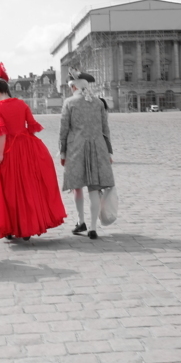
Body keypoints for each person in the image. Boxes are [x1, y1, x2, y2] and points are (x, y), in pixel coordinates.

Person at [0, 62, 66, 239]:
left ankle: (12, 226)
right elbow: (31, 125)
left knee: (9, 189)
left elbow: (1, 131)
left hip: (8, 149)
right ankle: (28, 225)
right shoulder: (22, 104)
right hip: (28, 147)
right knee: (28, 186)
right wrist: (25, 138)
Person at [59, 71, 114, 239]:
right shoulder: (98, 103)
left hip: (76, 147)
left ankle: (80, 220)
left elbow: (64, 130)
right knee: (94, 188)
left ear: (74, 87)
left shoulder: (69, 103)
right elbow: (106, 130)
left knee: (77, 187)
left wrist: (62, 152)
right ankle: (92, 227)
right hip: (98, 148)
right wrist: (109, 151)